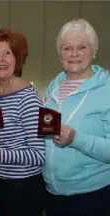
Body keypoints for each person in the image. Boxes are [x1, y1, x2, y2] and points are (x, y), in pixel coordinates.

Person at [0, 29, 46, 216]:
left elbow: (39, 155)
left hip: (23, 187)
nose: (0, 59)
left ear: (17, 59)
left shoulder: (28, 98)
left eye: (7, 53)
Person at [42, 18, 110, 216]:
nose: (74, 54)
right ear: (59, 54)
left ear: (94, 51)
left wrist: (76, 139)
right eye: (67, 48)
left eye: (82, 47)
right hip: (53, 194)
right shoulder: (54, 88)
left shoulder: (107, 90)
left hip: (92, 196)